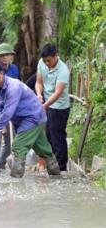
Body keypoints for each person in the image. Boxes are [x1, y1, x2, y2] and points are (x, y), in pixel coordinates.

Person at [0, 61, 60, 178]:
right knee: (43, 148)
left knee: (18, 147)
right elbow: (1, 109)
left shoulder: (13, 87)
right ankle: (56, 175)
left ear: (1, 74)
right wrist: (1, 126)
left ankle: (16, 182)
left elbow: (8, 111)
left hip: (33, 117)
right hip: (25, 119)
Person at [35, 43, 71, 172]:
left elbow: (58, 92)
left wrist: (44, 106)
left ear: (56, 56)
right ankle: (50, 166)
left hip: (59, 107)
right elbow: (39, 82)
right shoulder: (42, 63)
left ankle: (61, 168)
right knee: (48, 135)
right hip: (47, 104)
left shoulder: (63, 70)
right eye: (44, 61)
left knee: (57, 137)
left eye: (49, 61)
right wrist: (39, 95)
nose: (46, 64)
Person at [0, 43, 19, 170]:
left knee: (10, 138)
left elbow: (16, 86)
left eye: (7, 55)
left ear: (11, 56)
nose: (4, 58)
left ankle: (1, 165)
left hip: (10, 106)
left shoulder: (14, 69)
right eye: (1, 56)